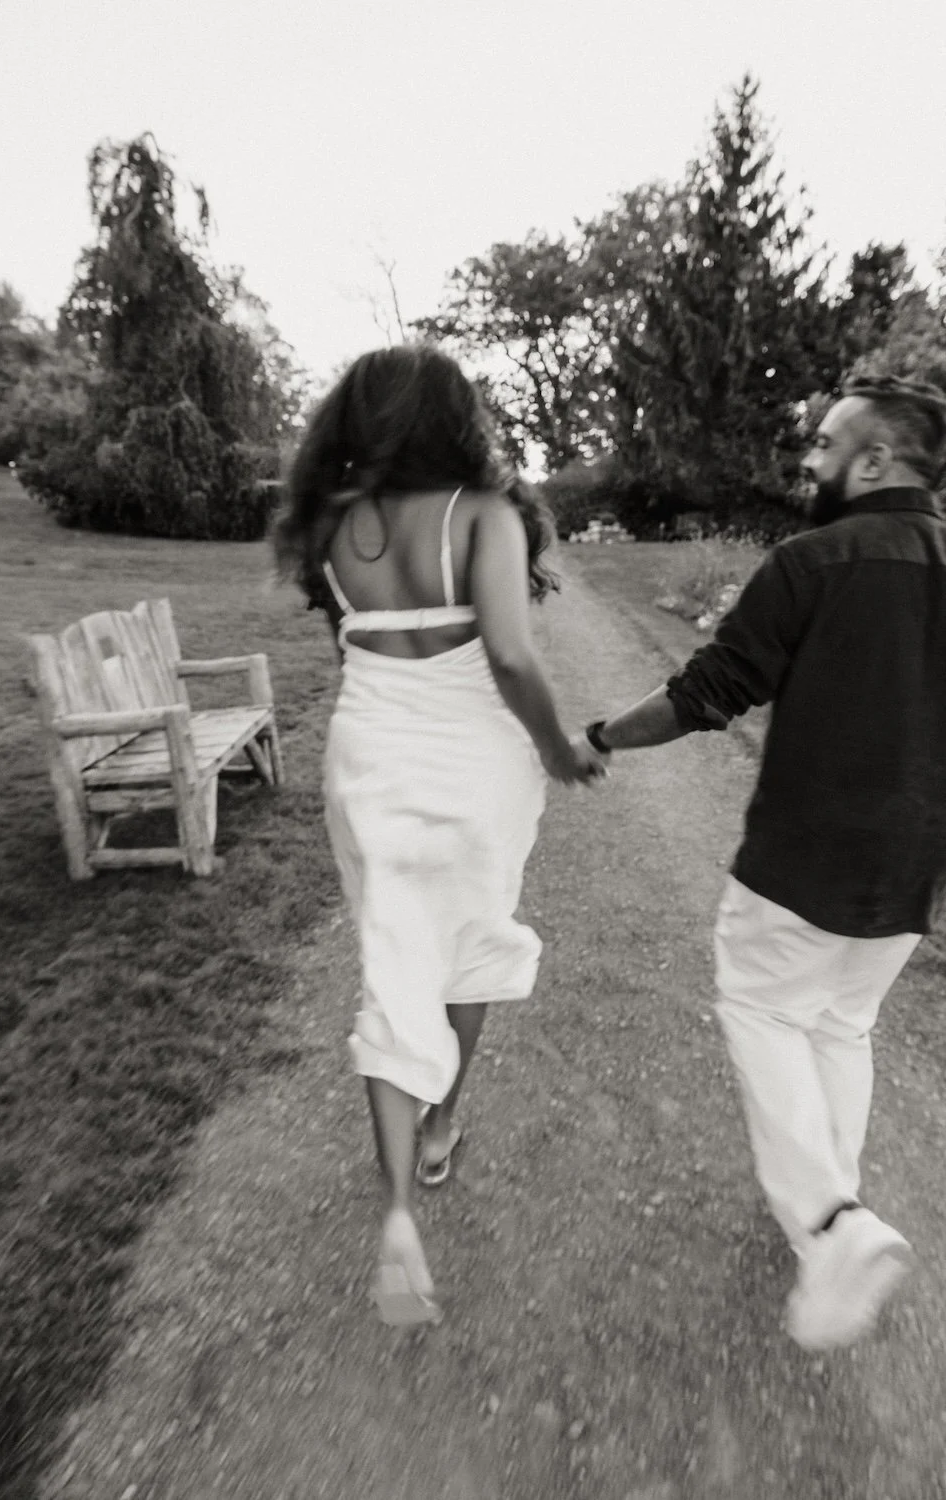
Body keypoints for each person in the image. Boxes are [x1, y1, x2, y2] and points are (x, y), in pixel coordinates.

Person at [581, 375, 946, 1350]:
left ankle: (831, 1225)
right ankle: (827, 1205)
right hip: (912, 870)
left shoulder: (813, 560)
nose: (810, 462)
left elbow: (709, 691)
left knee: (764, 1008)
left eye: (826, 445)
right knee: (840, 1023)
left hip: (801, 856)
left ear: (873, 461)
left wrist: (599, 735)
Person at [276, 345, 604, 1326]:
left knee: (393, 964)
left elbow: (363, 651)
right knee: (465, 950)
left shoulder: (332, 528)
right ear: (454, 420)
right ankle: (443, 1120)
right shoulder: (486, 517)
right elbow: (507, 652)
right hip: (472, 773)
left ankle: (396, 1216)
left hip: (369, 767)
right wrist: (556, 748)